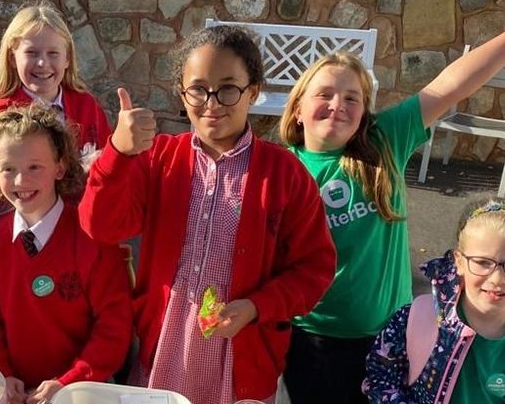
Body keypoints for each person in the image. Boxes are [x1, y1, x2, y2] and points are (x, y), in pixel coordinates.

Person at [78, 25, 337, 404]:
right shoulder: (158, 158)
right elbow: (100, 225)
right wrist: (118, 153)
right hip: (162, 355)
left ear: (253, 91)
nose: (212, 103)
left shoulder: (285, 174)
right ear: (182, 93)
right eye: (198, 89)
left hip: (242, 363)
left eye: (228, 88)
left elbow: (315, 269)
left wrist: (257, 306)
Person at [278, 32, 505, 403]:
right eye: (325, 94)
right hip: (313, 340)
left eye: (352, 98)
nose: (338, 104)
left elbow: (449, 86)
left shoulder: (384, 142)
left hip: (394, 336)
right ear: (298, 108)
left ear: (364, 114)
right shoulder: (281, 169)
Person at [0, 106, 132, 404]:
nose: (20, 181)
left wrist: (70, 382)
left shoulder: (91, 239)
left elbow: (114, 325)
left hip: (82, 393)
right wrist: (0, 374)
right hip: (13, 392)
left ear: (60, 167)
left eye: (34, 167)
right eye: (9, 169)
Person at [363, 197, 505, 403]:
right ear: (459, 261)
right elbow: (381, 379)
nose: (497, 279)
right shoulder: (417, 318)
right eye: (482, 262)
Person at [0, 1, 111, 160]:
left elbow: (109, 165)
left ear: (67, 58)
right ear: (12, 58)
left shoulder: (87, 105)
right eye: (32, 53)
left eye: (53, 53)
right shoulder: (0, 114)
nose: (42, 63)